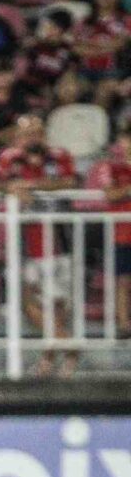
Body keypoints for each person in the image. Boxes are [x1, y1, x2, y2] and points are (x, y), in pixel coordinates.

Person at [0, 114, 80, 376]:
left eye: (36, 132)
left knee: (57, 302)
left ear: (44, 134)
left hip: (59, 239)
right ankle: (68, 344)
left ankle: (49, 357)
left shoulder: (59, 156)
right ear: (18, 137)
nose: (32, 137)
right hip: (25, 241)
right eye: (26, 133)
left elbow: (69, 181)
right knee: (24, 298)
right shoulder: (10, 158)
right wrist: (12, 188)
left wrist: (30, 185)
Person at [97, 120, 131, 337]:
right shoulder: (110, 167)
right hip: (122, 233)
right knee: (123, 279)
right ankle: (124, 324)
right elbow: (110, 194)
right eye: (127, 138)